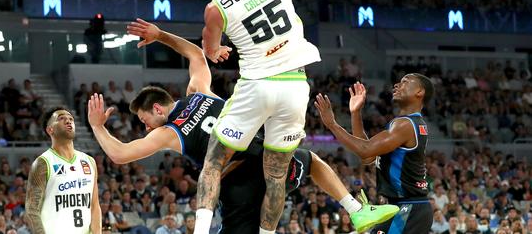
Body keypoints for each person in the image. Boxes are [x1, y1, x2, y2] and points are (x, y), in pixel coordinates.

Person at [88, 19, 397, 234]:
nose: (145, 127)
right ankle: (356, 210)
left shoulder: (168, 132)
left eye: (144, 120)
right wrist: (161, 36)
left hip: (240, 186)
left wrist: (98, 127)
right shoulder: (199, 93)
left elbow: (120, 154)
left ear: (156, 109)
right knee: (312, 161)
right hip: (266, 160)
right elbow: (195, 53)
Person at [197, 0, 322, 234]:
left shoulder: (216, 6)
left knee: (213, 161)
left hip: (257, 85)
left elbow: (210, 50)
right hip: (296, 85)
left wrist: (219, 50)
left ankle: (199, 231)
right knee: (277, 175)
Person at [314, 75, 435, 234]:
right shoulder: (407, 123)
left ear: (420, 92)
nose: (397, 85)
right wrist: (356, 113)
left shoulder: (405, 124)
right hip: (403, 207)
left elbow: (365, 149)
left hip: (408, 208)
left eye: (405, 82)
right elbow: (368, 157)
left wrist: (332, 125)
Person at [25, 107, 101, 234]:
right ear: (50, 130)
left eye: (71, 119)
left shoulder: (89, 161)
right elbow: (32, 210)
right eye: (61, 119)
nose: (68, 121)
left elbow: (94, 205)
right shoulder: (43, 162)